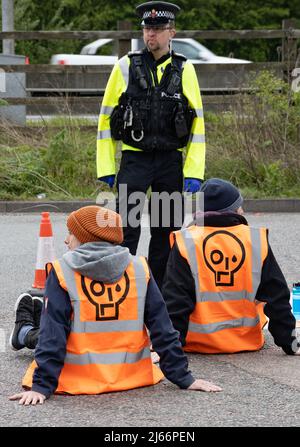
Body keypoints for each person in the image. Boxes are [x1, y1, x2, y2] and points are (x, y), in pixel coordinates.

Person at [9, 205, 221, 406]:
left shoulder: (63, 270)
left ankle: (24, 328)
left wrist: (41, 386)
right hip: (131, 377)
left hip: (76, 379)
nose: (66, 240)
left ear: (84, 237)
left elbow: (53, 334)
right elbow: (162, 329)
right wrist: (184, 378)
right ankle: (27, 324)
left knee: (47, 325)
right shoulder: (139, 268)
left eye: (70, 233)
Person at [96, 1, 206, 289]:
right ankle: (122, 290)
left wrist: (194, 171)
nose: (150, 35)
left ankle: (158, 294)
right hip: (135, 163)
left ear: (172, 32)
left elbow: (198, 126)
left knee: (165, 233)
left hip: (170, 163)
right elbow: (106, 119)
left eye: (157, 29)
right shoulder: (124, 67)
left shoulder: (185, 69)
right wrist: (106, 165)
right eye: (147, 29)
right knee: (125, 231)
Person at [161, 178, 300, 355]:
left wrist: (169, 349)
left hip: (196, 343)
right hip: (245, 340)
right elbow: (277, 296)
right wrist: (290, 343)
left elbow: (176, 299)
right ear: (234, 209)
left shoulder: (186, 240)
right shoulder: (255, 240)